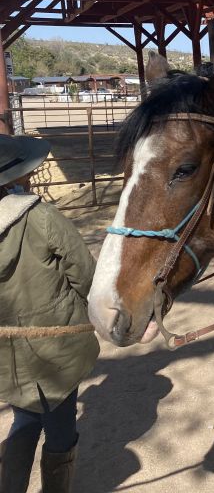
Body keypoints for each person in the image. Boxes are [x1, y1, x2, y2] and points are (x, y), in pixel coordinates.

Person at [0, 135, 99, 493]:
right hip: (57, 343)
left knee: (24, 417)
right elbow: (84, 272)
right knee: (59, 426)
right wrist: (103, 314)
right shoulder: (39, 216)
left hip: (7, 354)